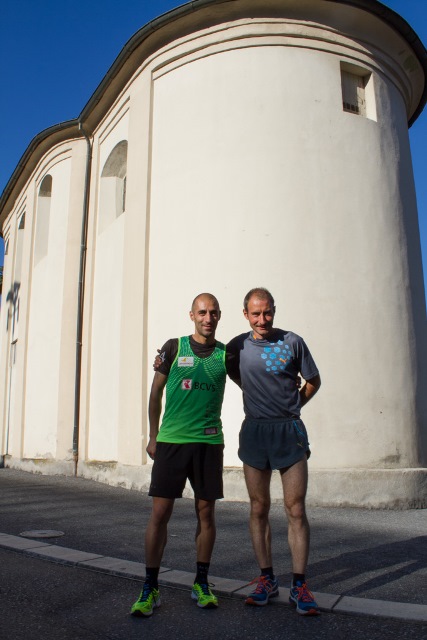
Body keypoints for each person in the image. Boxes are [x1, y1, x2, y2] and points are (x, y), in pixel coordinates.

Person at [131, 293, 227, 617]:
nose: (208, 318)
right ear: (192, 315)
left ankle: (201, 582)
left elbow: (251, 381)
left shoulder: (226, 355)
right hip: (171, 443)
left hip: (208, 444)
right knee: (160, 514)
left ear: (219, 316)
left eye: (213, 313)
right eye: (202, 312)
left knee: (206, 515)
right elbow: (155, 393)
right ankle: (150, 586)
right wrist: (153, 435)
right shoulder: (173, 347)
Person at [226, 287, 321, 615]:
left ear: (274, 311)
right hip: (255, 432)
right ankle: (266, 578)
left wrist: (295, 403)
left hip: (289, 431)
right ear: (245, 315)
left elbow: (313, 380)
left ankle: (299, 584)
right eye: (256, 314)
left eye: (267, 313)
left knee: (295, 509)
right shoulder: (236, 347)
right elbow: (236, 375)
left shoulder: (293, 342)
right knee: (258, 507)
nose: (262, 319)